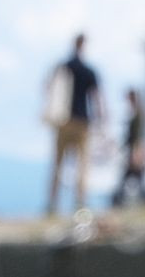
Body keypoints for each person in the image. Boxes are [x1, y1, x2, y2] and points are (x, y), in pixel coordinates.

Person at [42, 34, 103, 215]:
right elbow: (96, 97)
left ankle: (52, 203)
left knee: (58, 163)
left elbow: (48, 87)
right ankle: (80, 203)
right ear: (84, 46)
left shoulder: (63, 67)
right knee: (82, 164)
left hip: (63, 121)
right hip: (82, 122)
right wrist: (101, 118)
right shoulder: (89, 71)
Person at [111, 85, 145, 207]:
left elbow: (137, 135)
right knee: (136, 177)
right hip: (132, 149)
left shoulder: (138, 115)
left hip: (134, 150)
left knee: (131, 176)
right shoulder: (136, 113)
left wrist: (136, 152)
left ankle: (119, 200)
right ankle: (142, 199)